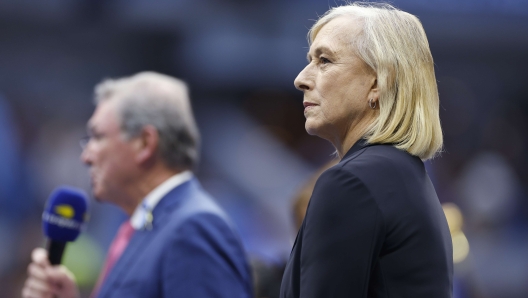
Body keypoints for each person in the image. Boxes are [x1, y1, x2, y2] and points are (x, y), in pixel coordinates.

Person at [22, 72, 253, 298]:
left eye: (98, 137)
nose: (86, 156)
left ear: (145, 143)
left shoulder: (193, 228)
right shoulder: (150, 225)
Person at [280, 3, 453, 298]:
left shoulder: (352, 183)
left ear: (378, 82)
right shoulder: (402, 175)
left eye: (324, 60)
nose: (301, 79)